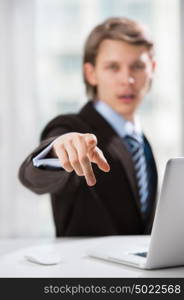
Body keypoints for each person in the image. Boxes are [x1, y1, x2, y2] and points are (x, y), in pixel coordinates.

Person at [19, 17, 158, 237]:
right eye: (113, 67)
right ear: (91, 73)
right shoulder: (71, 128)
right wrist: (59, 150)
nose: (127, 79)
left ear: (152, 69)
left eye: (137, 66)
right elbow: (32, 176)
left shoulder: (141, 141)